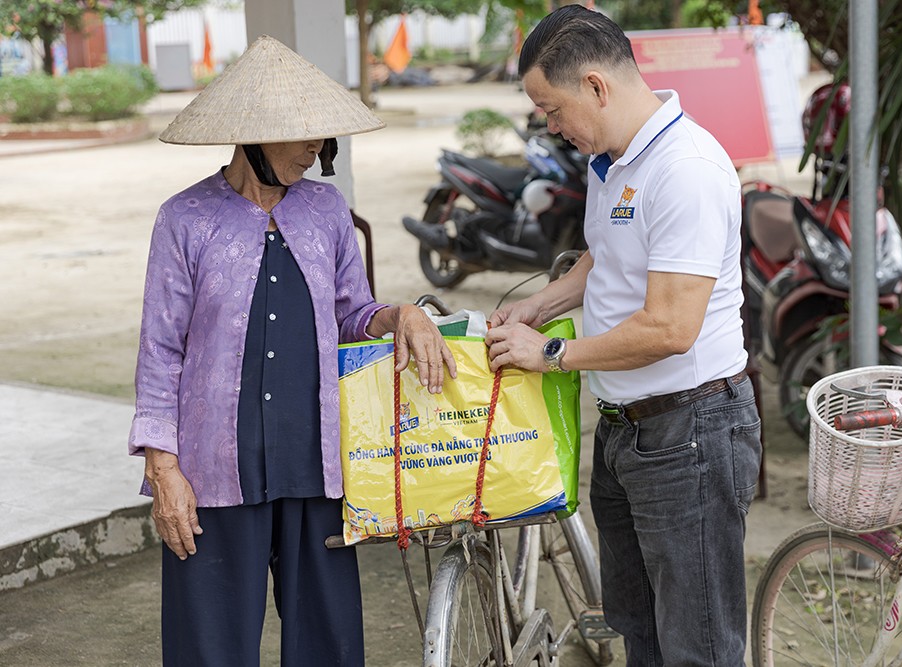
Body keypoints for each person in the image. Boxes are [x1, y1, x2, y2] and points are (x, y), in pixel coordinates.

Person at [127, 35, 456, 666]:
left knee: (328, 645)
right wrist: (163, 468)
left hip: (317, 466)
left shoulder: (326, 210)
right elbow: (160, 350)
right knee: (210, 648)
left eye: (325, 138)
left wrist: (400, 315)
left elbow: (350, 313)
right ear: (252, 136)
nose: (318, 149)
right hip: (215, 474)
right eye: (305, 134)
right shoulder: (185, 218)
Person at [484, 6, 762, 666]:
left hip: (689, 435)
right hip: (624, 432)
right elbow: (601, 256)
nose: (552, 127)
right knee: (639, 632)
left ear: (595, 86)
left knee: (697, 647)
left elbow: (670, 326)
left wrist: (551, 353)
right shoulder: (609, 161)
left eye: (553, 110)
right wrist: (538, 305)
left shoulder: (685, 168)